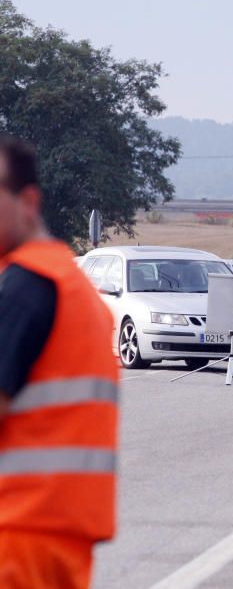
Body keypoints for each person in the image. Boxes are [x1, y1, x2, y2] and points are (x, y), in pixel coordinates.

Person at [0, 134, 118, 588]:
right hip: (60, 534)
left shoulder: (26, 288)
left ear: (28, 201)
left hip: (16, 532)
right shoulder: (72, 285)